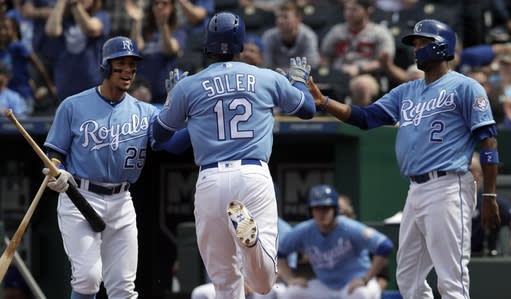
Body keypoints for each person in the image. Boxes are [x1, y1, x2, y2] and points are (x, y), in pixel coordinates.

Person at [307, 19, 501, 299]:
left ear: (441, 46)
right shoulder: (406, 91)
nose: (415, 49)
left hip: (449, 185)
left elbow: (489, 140)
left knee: (451, 279)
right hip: (416, 189)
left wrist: (490, 195)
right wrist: (325, 103)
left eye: (422, 43)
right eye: (415, 44)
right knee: (408, 276)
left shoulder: (466, 87)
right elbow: (366, 118)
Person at [153, 11, 316, 299]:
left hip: (211, 178)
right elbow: (307, 110)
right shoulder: (265, 77)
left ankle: (247, 247)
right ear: (241, 45)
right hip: (252, 174)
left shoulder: (189, 87)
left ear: (207, 45)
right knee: (264, 284)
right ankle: (250, 246)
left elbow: (162, 137)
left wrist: (175, 99)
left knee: (225, 284)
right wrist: (299, 81)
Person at [41, 36, 189, 299]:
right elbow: (54, 153)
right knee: (87, 278)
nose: (128, 71)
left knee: (123, 287)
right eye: (121, 63)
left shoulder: (145, 112)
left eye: (132, 65)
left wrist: (186, 111)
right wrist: (57, 171)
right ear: (106, 66)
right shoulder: (73, 105)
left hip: (122, 200)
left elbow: (174, 145)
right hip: (80, 197)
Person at [278, 184, 393, 299]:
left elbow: (384, 246)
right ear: (311, 210)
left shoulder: (348, 227)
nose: (322, 213)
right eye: (317, 208)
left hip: (355, 282)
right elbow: (280, 252)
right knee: (292, 293)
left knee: (361, 294)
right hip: (325, 285)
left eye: (326, 208)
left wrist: (366, 278)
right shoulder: (305, 230)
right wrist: (290, 279)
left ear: (334, 209)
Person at [44, 0, 110, 102]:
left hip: (93, 88)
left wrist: (75, 4)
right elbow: (52, 31)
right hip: (65, 87)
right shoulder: (63, 20)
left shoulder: (101, 15)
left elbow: (91, 29)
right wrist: (61, 2)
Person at [127, 0, 186, 104]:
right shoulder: (146, 31)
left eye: (164, 3)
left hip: (164, 98)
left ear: (172, 7)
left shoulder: (178, 31)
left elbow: (168, 50)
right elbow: (134, 49)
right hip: (141, 94)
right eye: (156, 3)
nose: (159, 6)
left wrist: (163, 25)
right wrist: (137, 21)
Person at [0, 17, 56, 114]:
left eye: (6, 28)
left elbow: (38, 65)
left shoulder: (19, 46)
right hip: (9, 96)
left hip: (23, 95)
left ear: (15, 31)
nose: (2, 32)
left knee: (24, 123)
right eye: (0, 29)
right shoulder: (3, 52)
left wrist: (50, 86)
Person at [469, 152, 511, 257]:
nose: (466, 175)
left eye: (470, 171)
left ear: (480, 175)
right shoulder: (449, 200)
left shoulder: (489, 201)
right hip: (453, 256)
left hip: (483, 257)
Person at [261, 1, 320, 70]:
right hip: (276, 77)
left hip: (301, 78)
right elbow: (266, 65)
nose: (280, 21)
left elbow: (312, 64)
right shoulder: (269, 36)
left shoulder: (308, 36)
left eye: (285, 17)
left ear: (298, 20)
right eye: (278, 17)